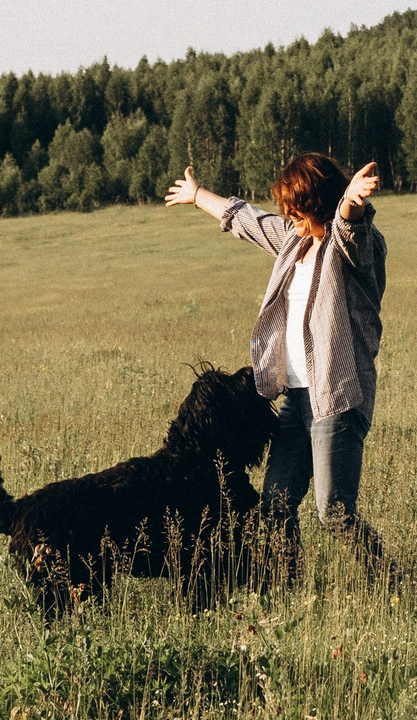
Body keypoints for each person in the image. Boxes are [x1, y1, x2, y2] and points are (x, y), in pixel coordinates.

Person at [164, 153, 386, 568]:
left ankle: (393, 579)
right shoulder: (295, 240)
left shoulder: (354, 246)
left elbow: (349, 226)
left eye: (296, 209)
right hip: (296, 399)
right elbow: (248, 220)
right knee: (274, 504)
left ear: (318, 202)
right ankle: (290, 584)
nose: (289, 216)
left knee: (333, 511)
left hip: (337, 398)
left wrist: (353, 202)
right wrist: (197, 196)